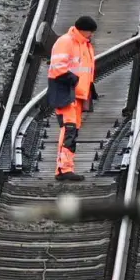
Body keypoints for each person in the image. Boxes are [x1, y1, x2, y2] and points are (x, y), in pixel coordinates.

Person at [46, 15, 97, 181]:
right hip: (66, 92)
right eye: (90, 32)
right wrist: (75, 81)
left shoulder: (84, 44)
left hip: (77, 94)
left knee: (72, 131)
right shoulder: (66, 42)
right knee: (68, 130)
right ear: (83, 30)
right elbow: (58, 68)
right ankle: (63, 169)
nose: (92, 35)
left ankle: (65, 168)